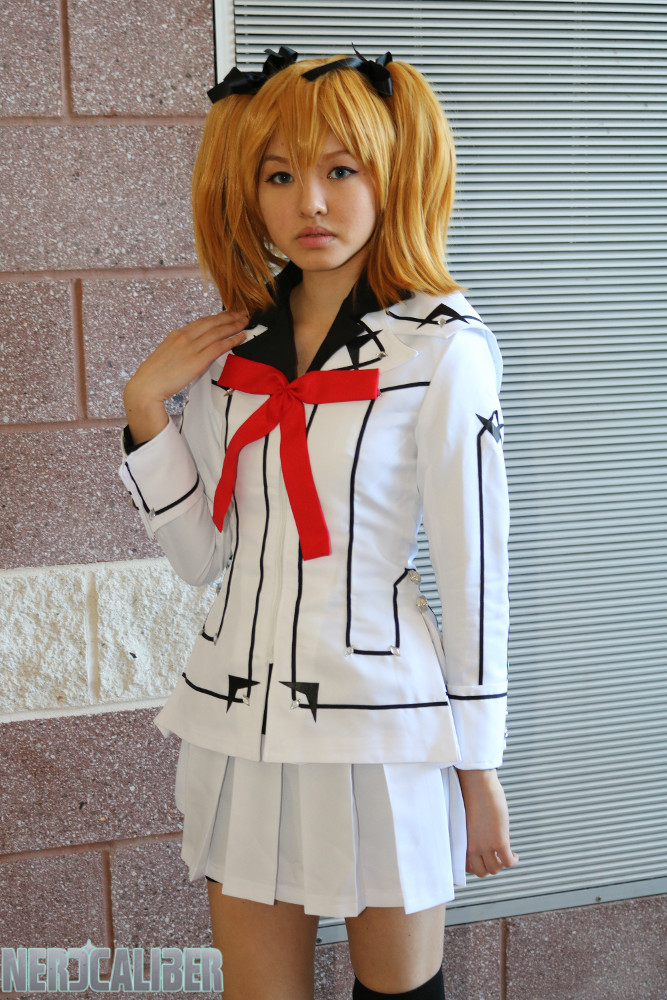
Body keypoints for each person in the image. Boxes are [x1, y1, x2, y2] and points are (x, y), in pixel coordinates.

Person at [119, 45, 518, 1000]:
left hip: (383, 731)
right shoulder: (231, 351)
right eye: (279, 176)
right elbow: (201, 557)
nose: (310, 203)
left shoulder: (443, 349)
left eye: (341, 171)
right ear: (248, 192)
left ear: (390, 176)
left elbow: (474, 572)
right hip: (239, 729)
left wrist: (477, 766)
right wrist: (145, 411)